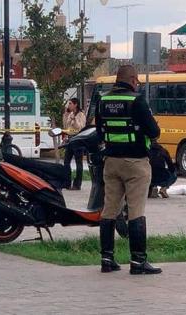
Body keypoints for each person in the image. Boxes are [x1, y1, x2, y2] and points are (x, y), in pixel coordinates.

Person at [95, 65, 162, 275]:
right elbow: (154, 132)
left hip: (111, 161)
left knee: (109, 211)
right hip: (135, 164)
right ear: (133, 79)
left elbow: (99, 132)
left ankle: (107, 259)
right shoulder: (137, 100)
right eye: (137, 81)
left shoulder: (102, 100)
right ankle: (138, 261)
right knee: (136, 211)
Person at [63, 97, 86, 190]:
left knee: (78, 163)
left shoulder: (81, 115)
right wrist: (66, 115)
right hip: (70, 139)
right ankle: (67, 182)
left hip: (78, 139)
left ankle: (77, 184)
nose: (69, 106)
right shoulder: (70, 114)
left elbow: (80, 127)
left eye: (70, 104)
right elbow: (66, 126)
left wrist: (75, 120)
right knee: (66, 161)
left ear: (75, 104)